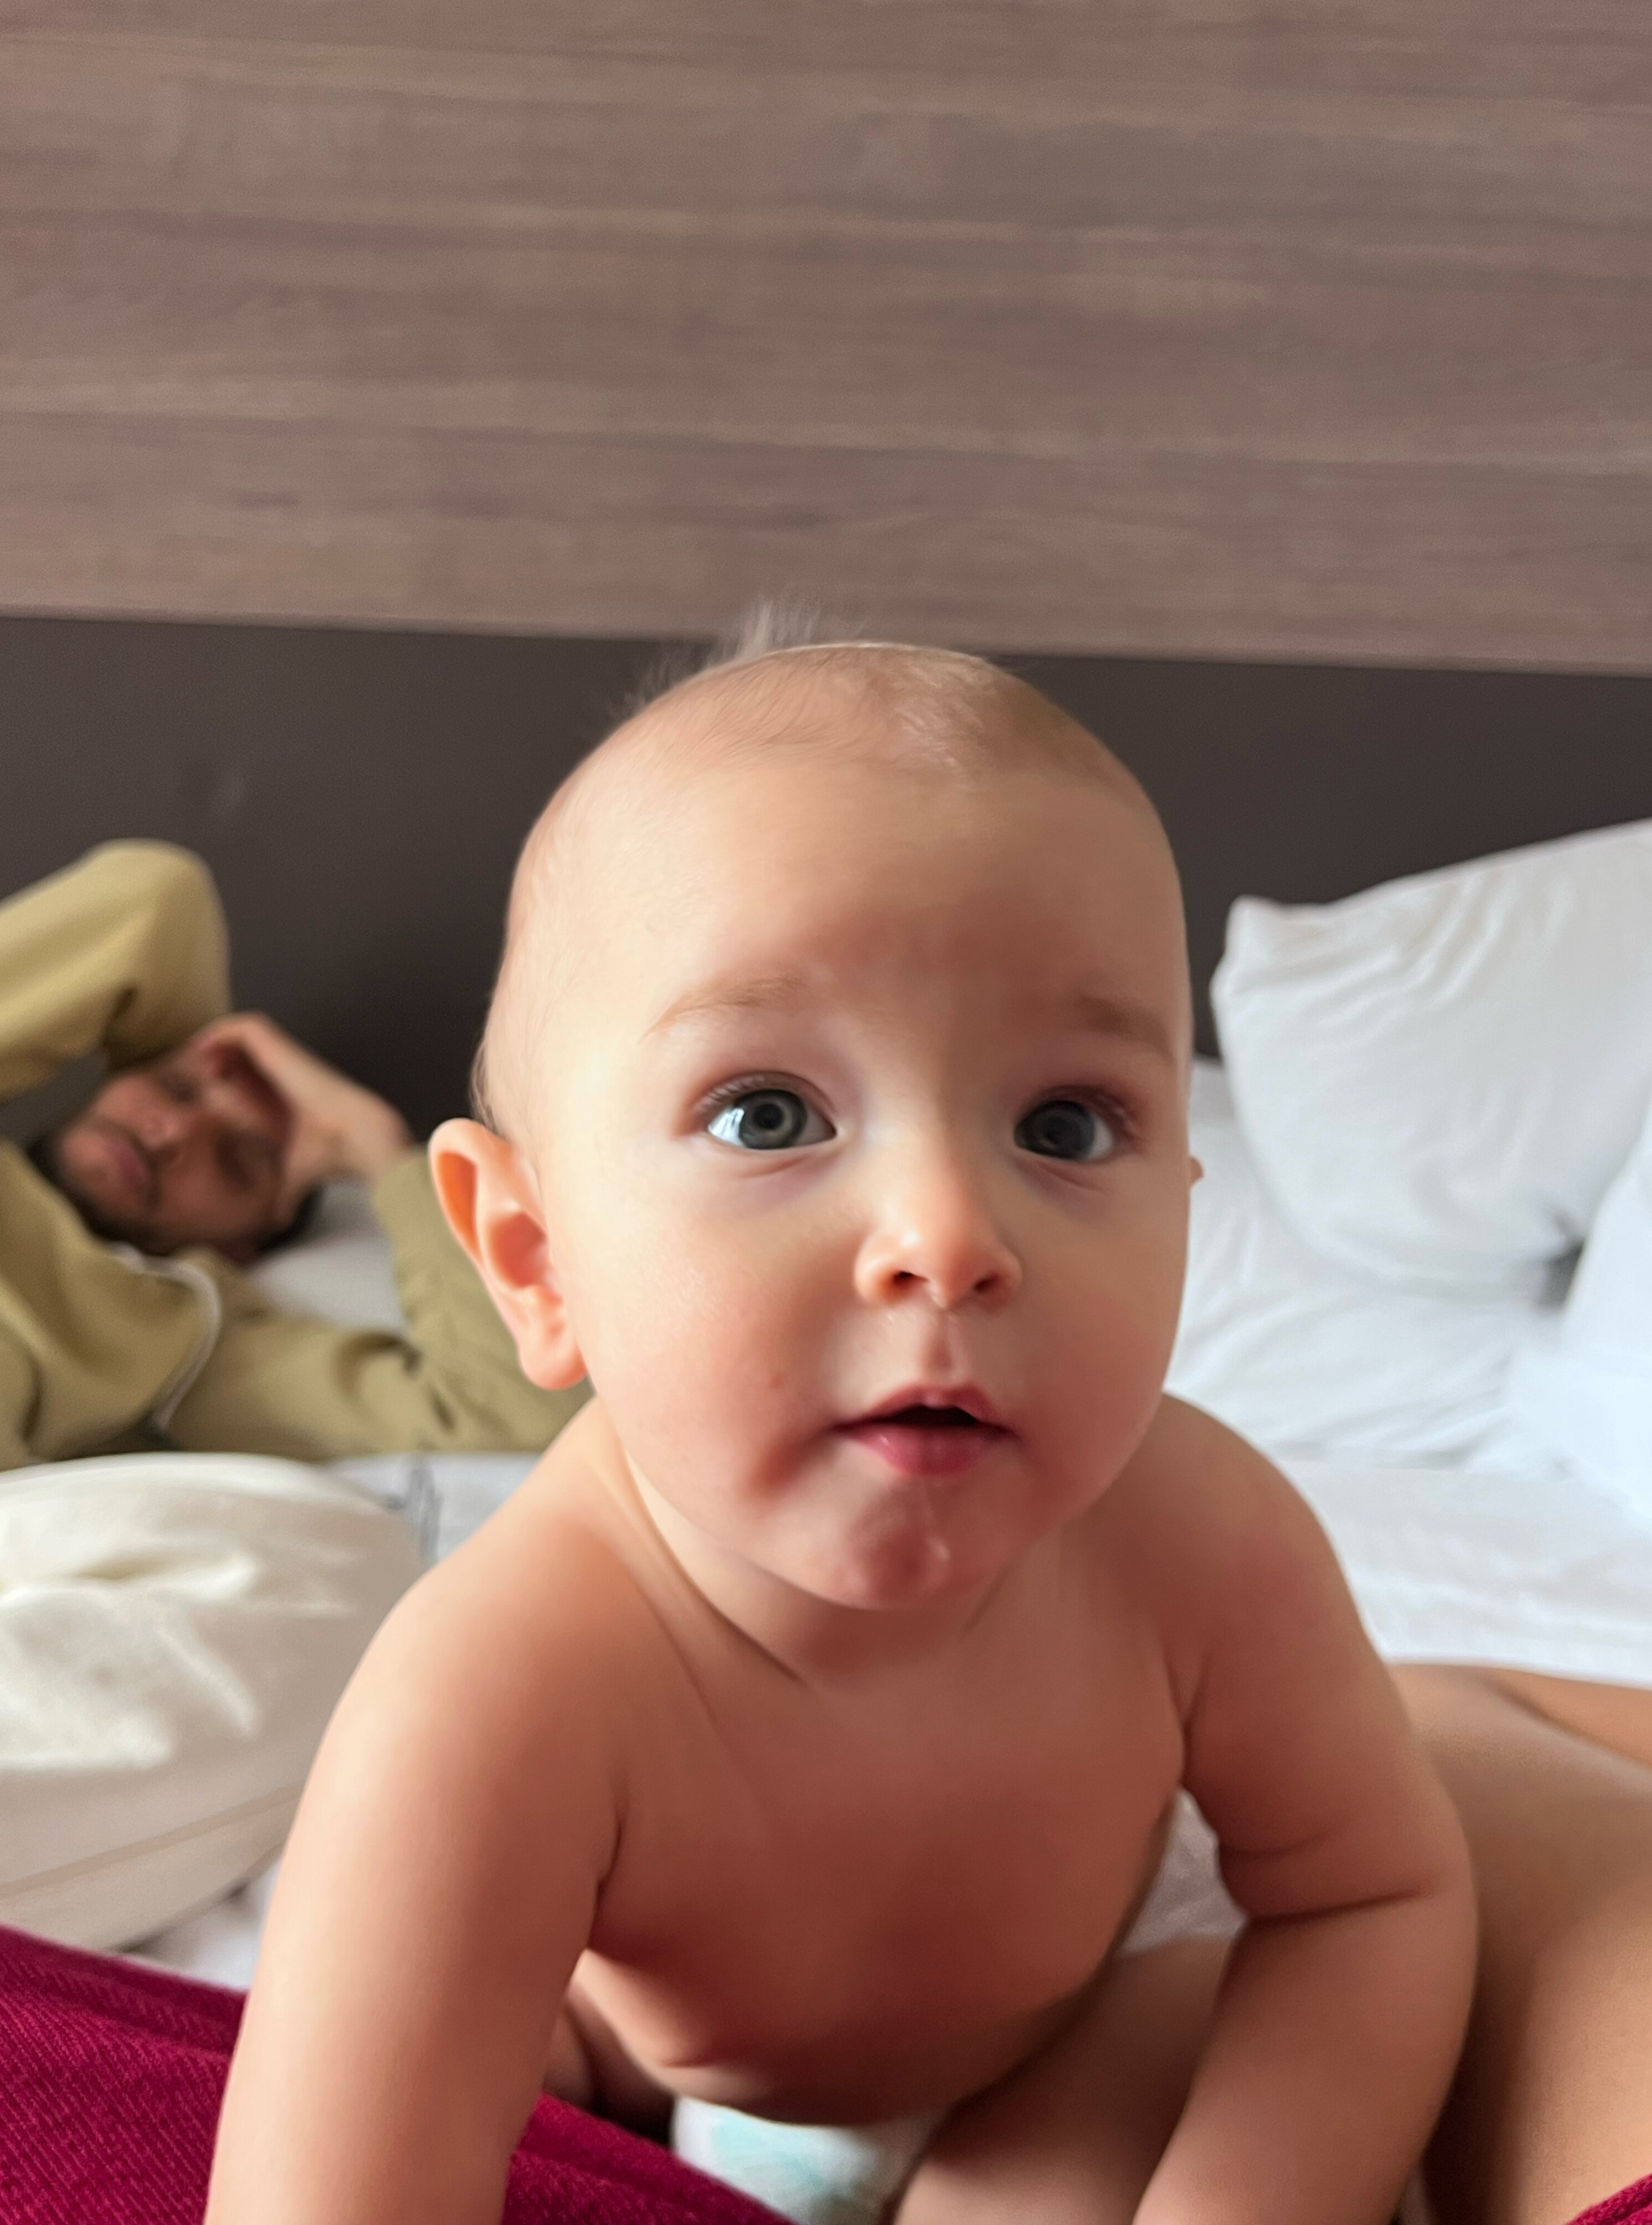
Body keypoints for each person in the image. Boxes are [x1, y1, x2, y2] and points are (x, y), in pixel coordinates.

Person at [206, 641, 1478, 2225]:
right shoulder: (497, 1688)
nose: (948, 1237)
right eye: (768, 1114)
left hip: (1053, 2055)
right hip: (628, 2055)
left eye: (1066, 1125)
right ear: (536, 1261)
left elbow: (1373, 1895)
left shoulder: (1207, 1542)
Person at [0, 841, 587, 1474]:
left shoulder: (192, 1353)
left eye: (234, 1161)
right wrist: (192, 1045)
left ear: (245, 1243)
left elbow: (513, 1408)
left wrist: (379, 1152)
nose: (172, 1134)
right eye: (174, 1088)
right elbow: (158, 896)